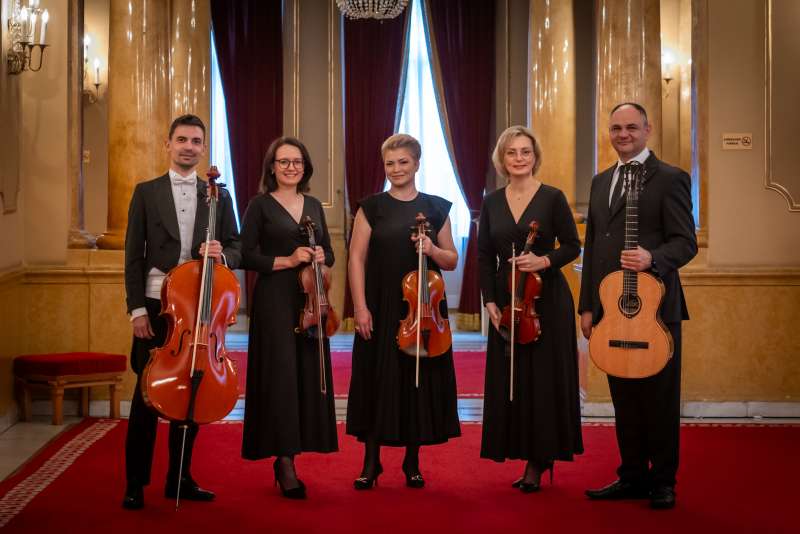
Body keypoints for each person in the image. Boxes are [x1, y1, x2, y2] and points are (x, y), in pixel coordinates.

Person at [580, 103, 697, 510]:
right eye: (616, 128)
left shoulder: (670, 179)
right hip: (612, 311)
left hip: (655, 310)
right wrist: (588, 307)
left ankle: (663, 481)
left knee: (659, 401)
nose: (623, 134)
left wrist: (653, 258)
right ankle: (632, 475)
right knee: (624, 400)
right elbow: (593, 248)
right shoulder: (600, 182)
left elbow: (685, 242)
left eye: (631, 127)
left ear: (648, 129)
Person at [122, 114, 241, 510]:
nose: (189, 146)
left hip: (199, 305)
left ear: (203, 148)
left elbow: (237, 245)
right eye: (182, 139)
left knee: (193, 393)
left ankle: (180, 478)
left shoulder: (218, 195)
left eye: (196, 141)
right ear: (168, 144)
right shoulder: (146, 192)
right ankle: (135, 482)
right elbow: (132, 257)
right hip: (157, 304)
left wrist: (222, 253)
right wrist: (137, 310)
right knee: (145, 396)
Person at [346, 133, 461, 489]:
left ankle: (412, 462)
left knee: (416, 382)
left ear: (417, 164)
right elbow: (356, 258)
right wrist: (360, 307)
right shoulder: (371, 207)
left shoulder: (436, 207)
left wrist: (432, 249)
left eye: (403, 162)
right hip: (380, 306)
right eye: (390, 163)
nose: (396, 169)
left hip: (422, 312)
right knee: (376, 380)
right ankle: (371, 463)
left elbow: (452, 260)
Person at [478, 125, 584, 492]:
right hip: (508, 300)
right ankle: (519, 447)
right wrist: (489, 300)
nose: (519, 158)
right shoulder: (492, 202)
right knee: (513, 379)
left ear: (535, 157)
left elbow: (572, 246)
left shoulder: (552, 197)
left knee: (543, 380)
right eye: (512, 152)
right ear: (502, 159)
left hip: (546, 300)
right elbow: (484, 255)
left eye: (525, 151)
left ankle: (540, 459)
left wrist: (544, 261)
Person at [240, 137, 338, 499]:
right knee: (280, 378)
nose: (291, 167)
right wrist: (288, 260)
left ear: (305, 167)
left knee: (306, 376)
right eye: (283, 162)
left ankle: (296, 448)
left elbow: (329, 252)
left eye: (297, 161)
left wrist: (321, 255)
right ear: (272, 167)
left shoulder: (313, 205)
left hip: (309, 301)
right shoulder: (259, 206)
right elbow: (245, 255)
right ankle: (284, 461)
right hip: (274, 301)